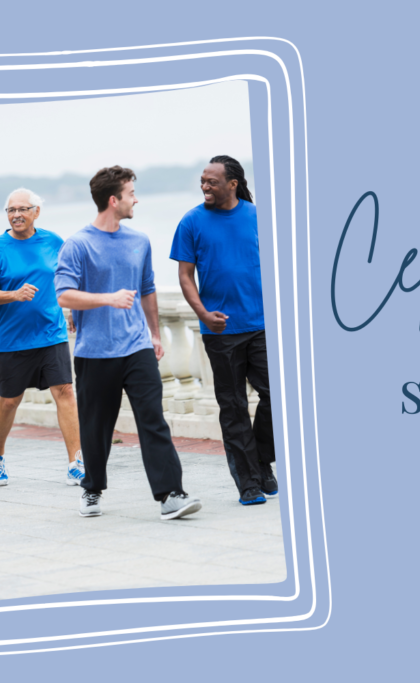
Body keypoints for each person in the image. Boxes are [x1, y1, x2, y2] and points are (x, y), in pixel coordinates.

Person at [56, 166, 201, 520]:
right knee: (96, 427)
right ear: (113, 200)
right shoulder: (79, 244)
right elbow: (64, 295)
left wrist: (154, 333)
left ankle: (171, 494)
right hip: (95, 353)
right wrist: (108, 299)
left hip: (137, 347)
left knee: (153, 420)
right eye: (131, 193)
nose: (136, 199)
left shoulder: (139, 241)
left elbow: (148, 289)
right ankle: (92, 489)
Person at [171, 155, 276, 506]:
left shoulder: (258, 215)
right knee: (232, 408)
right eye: (202, 180)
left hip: (262, 326)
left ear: (232, 184)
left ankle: (261, 460)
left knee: (277, 398)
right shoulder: (191, 222)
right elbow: (185, 276)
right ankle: (248, 482)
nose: (205, 186)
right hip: (220, 332)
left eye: (212, 181)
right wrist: (202, 313)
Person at [0, 188, 84, 487]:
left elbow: (68, 277)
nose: (16, 215)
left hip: (51, 333)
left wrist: (73, 306)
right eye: (11, 210)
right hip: (13, 340)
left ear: (36, 212)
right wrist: (14, 294)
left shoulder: (53, 241)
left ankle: (76, 462)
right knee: (10, 401)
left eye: (23, 209)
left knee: (65, 391)